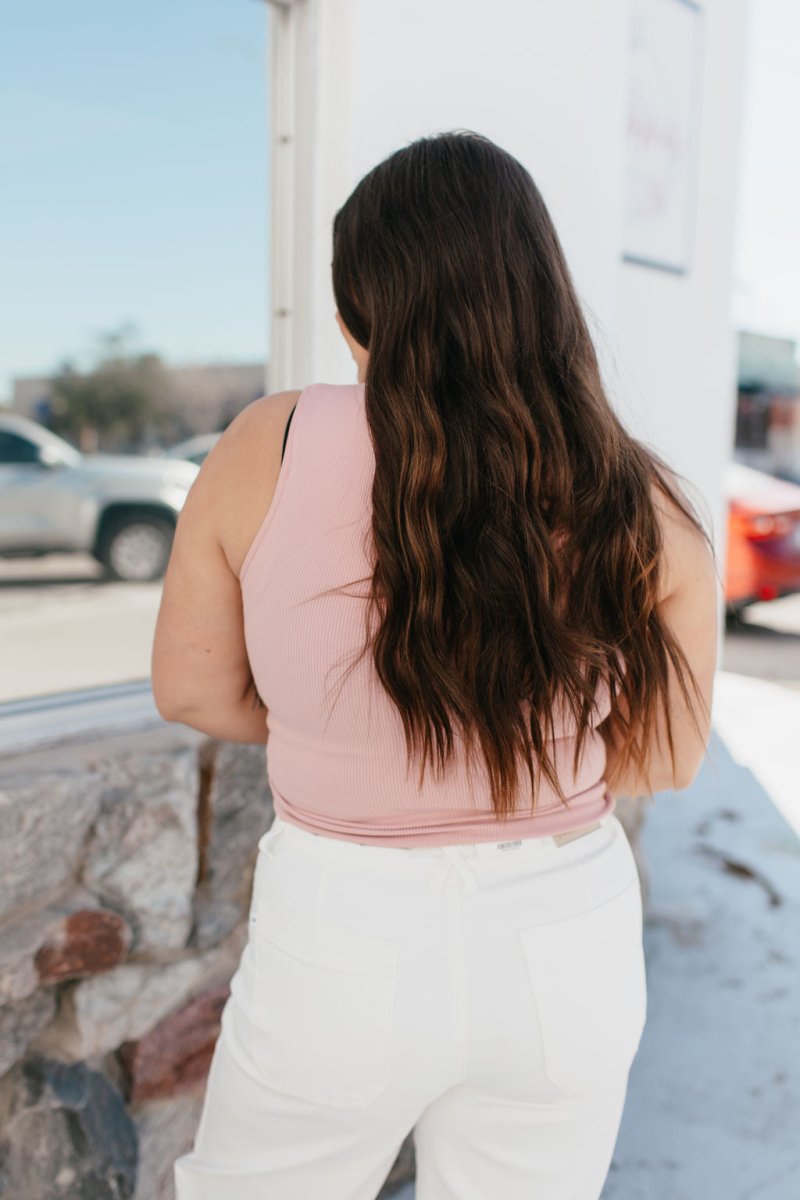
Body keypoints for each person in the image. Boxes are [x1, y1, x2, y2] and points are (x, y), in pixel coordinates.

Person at [153, 130, 718, 1200]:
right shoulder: (633, 495)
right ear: (538, 292)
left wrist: (343, 737)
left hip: (342, 931)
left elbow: (189, 687)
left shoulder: (263, 444)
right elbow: (662, 760)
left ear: (358, 305)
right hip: (564, 940)